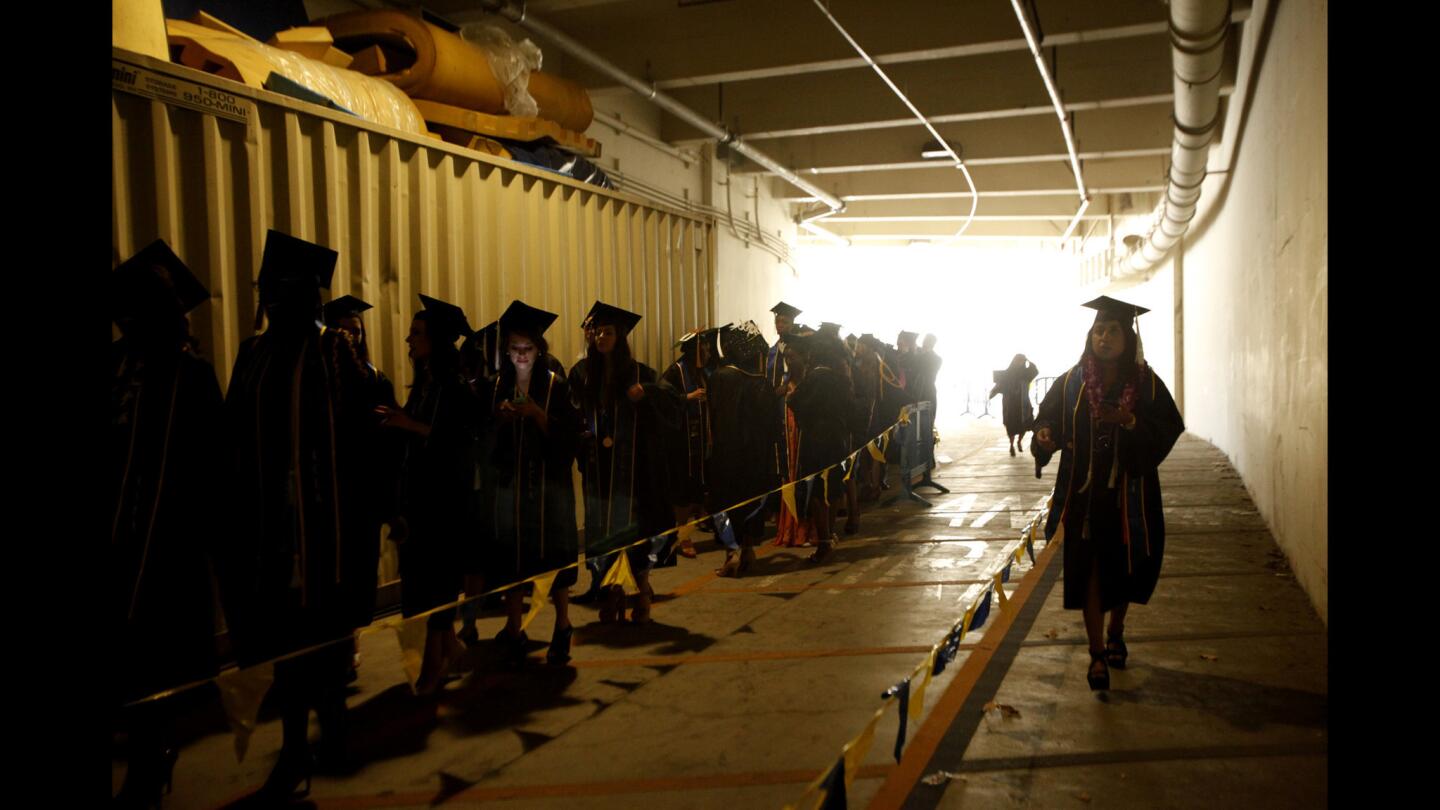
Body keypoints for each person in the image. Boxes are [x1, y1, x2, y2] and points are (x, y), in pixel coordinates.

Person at [221, 231, 385, 799]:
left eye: (280, 291)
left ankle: (334, 731)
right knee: (286, 645)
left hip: (326, 526)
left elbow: (363, 434)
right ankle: (294, 748)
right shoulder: (254, 354)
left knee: (329, 638)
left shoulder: (332, 352)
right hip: (271, 527)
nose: (270, 302)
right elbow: (233, 437)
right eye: (267, 292)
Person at [110, 240, 223, 807]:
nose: (123, 324)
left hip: (166, 545)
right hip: (119, 538)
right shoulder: (118, 369)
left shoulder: (190, 376)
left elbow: (213, 467)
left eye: (132, 313)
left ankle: (150, 761)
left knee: (153, 659)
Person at [1033, 296, 1184, 691]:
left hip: (1131, 496)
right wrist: (1044, 435)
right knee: (1091, 572)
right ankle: (1097, 653)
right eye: (1098, 330)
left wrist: (1131, 421)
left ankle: (1117, 630)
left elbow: (1168, 427)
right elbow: (1048, 416)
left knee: (1127, 570)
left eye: (1112, 330)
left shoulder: (1147, 383)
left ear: (1127, 337)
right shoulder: (1072, 382)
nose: (1104, 337)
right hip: (1084, 496)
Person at [377, 294, 481, 694]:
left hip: (443, 503)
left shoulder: (454, 389)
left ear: (436, 339)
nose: (409, 341)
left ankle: (434, 665)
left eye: (416, 334)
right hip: (417, 500)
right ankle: (445, 654)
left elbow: (461, 443)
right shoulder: (424, 385)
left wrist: (409, 425)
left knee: (435, 586)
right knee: (419, 587)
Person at [483, 300, 581, 665]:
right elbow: (486, 438)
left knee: (554, 561)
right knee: (511, 560)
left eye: (527, 349)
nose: (520, 356)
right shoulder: (498, 387)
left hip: (548, 491)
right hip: (510, 489)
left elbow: (570, 437)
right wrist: (501, 419)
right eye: (514, 349)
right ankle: (513, 628)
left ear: (539, 350)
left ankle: (563, 626)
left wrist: (538, 415)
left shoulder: (556, 385)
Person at [575, 301, 682, 624]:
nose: (601, 337)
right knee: (604, 536)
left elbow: (672, 409)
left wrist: (646, 394)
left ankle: (644, 590)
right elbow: (573, 415)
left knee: (637, 534)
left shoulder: (641, 373)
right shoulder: (583, 375)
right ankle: (612, 592)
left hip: (635, 472)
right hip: (600, 471)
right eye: (598, 332)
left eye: (608, 332)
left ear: (620, 337)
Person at [321, 294, 403, 680]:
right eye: (343, 329)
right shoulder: (315, 375)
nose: (350, 337)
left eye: (356, 330)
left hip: (363, 491)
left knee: (359, 572)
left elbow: (390, 439)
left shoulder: (374, 378)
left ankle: (351, 640)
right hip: (327, 492)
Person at [706, 321, 779, 576]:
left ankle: (731, 557)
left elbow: (713, 417)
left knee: (728, 503)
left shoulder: (721, 377)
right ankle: (749, 550)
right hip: (756, 455)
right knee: (751, 503)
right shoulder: (762, 382)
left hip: (728, 453)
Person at [662, 328, 714, 558]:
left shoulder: (702, 372)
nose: (709, 351)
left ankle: (686, 532)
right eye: (705, 347)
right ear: (695, 350)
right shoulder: (676, 372)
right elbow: (662, 399)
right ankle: (682, 538)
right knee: (682, 491)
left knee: (696, 489)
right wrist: (687, 398)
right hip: (681, 444)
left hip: (700, 442)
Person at [990, 354, 1039, 456]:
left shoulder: (1026, 374)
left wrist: (1028, 360)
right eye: (1018, 361)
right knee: (1011, 426)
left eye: (1021, 361)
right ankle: (1011, 445)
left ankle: (1019, 442)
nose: (1019, 363)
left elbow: (1035, 370)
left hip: (1023, 404)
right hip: (1010, 405)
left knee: (1024, 426)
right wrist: (992, 393)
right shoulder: (1007, 374)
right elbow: (999, 385)